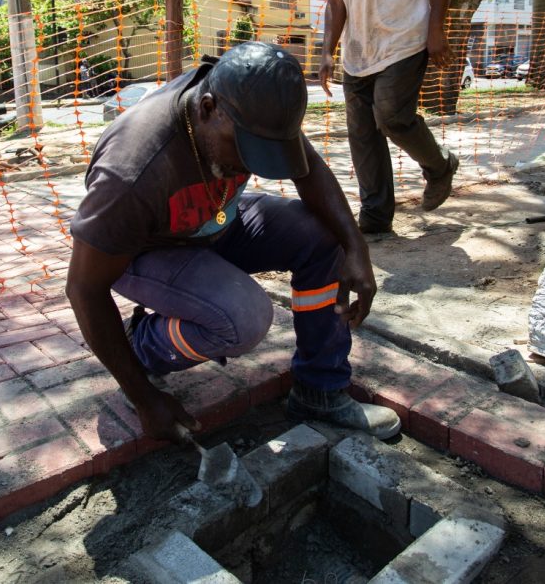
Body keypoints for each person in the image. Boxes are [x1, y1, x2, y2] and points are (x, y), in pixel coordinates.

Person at [66, 41, 402, 443]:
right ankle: (141, 347)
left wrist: (356, 247)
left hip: (215, 222)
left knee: (324, 236)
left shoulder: (257, 106)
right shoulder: (133, 172)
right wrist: (143, 396)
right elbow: (84, 287)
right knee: (243, 319)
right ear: (207, 109)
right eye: (245, 151)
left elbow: (309, 169)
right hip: (148, 252)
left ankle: (320, 389)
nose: (249, 166)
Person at [319, 0, 459, 235]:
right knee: (363, 137)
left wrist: (436, 29)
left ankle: (440, 166)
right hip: (358, 53)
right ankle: (376, 220)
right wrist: (327, 51)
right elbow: (336, 1)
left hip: (403, 40)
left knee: (392, 117)